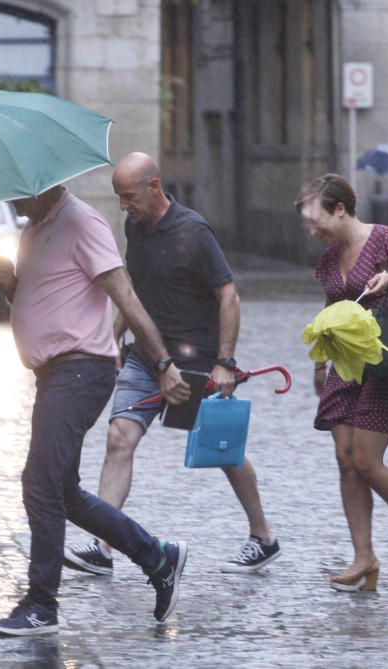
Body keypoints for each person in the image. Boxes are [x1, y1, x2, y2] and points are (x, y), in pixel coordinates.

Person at [0, 183, 192, 637]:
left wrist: (161, 364)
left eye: (16, 195)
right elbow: (35, 302)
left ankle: (42, 604)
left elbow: (125, 295)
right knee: (62, 491)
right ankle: (158, 558)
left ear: (42, 185)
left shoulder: (82, 222)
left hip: (80, 372)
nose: (10, 204)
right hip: (54, 375)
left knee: (39, 484)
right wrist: (8, 285)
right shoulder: (32, 229)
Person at [64, 152, 281, 576]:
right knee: (118, 439)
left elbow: (228, 296)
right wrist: (110, 338)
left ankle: (263, 537)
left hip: (196, 363)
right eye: (118, 199)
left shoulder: (193, 232)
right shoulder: (134, 227)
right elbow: (134, 290)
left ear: (154, 186)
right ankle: (103, 547)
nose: (124, 207)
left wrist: (225, 363)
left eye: (129, 197)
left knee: (224, 450)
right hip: (147, 357)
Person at [297, 174, 388, 592]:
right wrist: (319, 363)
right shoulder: (329, 258)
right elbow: (332, 303)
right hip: (346, 367)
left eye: (316, 220)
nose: (313, 231)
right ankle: (363, 557)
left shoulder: (385, 240)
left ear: (340, 209)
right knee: (346, 460)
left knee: (366, 461)